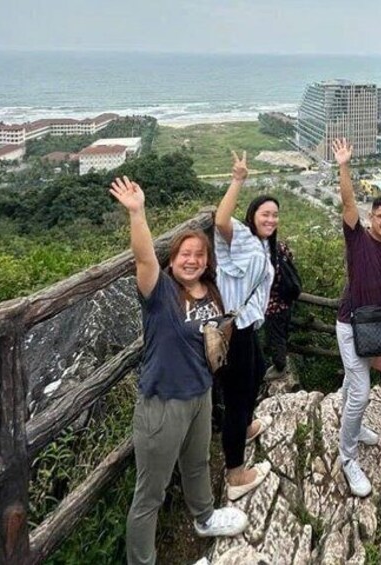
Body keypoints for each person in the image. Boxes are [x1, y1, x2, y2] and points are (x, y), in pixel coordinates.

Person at [110, 176, 247, 565]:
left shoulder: (210, 292)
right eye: (185, 254)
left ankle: (204, 518)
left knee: (197, 463)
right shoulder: (161, 294)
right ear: (172, 260)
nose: (192, 260)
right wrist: (137, 212)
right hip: (163, 402)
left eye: (199, 255)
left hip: (200, 393)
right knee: (150, 494)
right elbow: (143, 258)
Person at [332, 138, 381, 497]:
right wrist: (344, 165)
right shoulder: (357, 237)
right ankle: (347, 457)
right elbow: (347, 202)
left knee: (354, 377)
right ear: (371, 217)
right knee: (360, 392)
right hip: (350, 323)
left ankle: (354, 427)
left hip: (373, 325)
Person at [212, 150, 275, 501]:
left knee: (257, 374)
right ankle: (235, 474)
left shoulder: (262, 244)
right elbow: (221, 218)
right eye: (265, 213)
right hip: (234, 330)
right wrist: (238, 179)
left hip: (248, 327)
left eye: (275, 215)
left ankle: (247, 426)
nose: (271, 219)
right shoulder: (238, 235)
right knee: (237, 397)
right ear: (252, 216)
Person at [263, 238, 297, 381]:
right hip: (286, 301)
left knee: (275, 337)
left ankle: (280, 366)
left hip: (274, 305)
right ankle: (280, 363)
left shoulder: (266, 251)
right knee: (282, 334)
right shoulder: (280, 246)